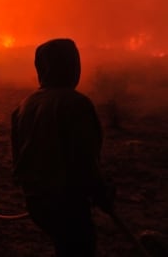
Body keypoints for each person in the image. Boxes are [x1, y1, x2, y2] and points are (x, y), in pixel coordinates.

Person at [11, 38, 115, 257]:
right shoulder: (76, 104)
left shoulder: (24, 104)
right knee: (79, 246)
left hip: (35, 200)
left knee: (63, 244)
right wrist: (101, 194)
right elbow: (85, 159)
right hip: (66, 202)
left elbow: (18, 157)